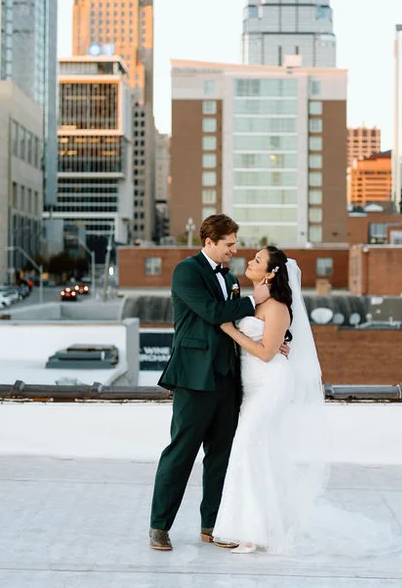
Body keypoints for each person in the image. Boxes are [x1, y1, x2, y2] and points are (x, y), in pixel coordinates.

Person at [212, 246, 390, 555]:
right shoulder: (249, 301)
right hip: (251, 385)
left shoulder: (278, 306)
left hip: (270, 385)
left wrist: (230, 331)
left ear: (270, 273)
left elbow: (267, 352)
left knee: (247, 446)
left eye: (257, 261)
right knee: (256, 451)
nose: (250, 262)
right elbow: (269, 342)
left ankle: (253, 532)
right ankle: (258, 526)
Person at [148, 215, 287, 552]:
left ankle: (212, 526)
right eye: (229, 244)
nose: (234, 250)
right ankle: (159, 527)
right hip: (194, 379)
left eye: (235, 244)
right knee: (180, 454)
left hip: (229, 380)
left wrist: (279, 338)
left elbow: (241, 320)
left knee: (221, 456)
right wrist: (254, 300)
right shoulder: (187, 271)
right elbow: (212, 312)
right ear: (210, 242)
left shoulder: (229, 277)